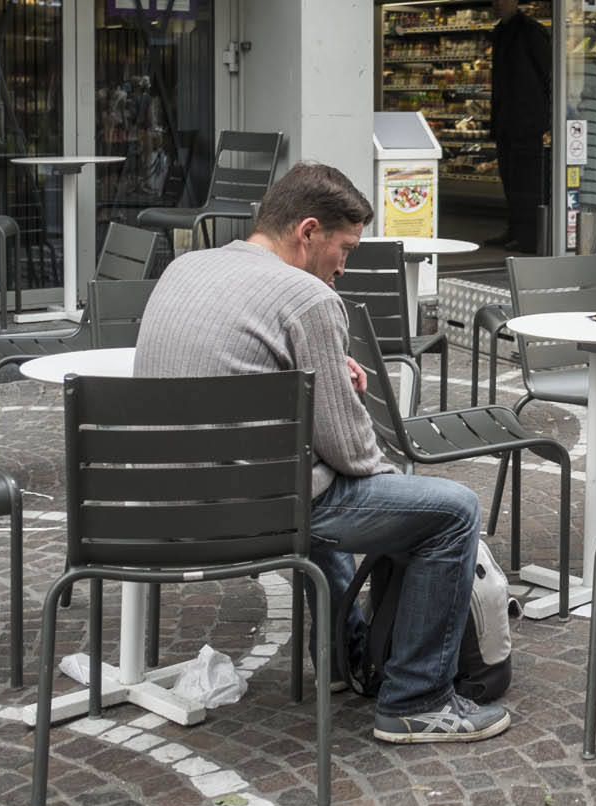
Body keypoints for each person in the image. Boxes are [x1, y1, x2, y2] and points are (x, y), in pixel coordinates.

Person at [133, 163, 511, 744]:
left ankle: (341, 659)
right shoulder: (306, 296)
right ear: (308, 231)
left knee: (317, 483)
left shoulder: (186, 266)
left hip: (161, 506)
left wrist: (324, 379)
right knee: (450, 510)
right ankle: (417, 700)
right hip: (253, 512)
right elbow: (351, 450)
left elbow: (238, 375)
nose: (344, 265)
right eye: (345, 249)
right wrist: (395, 482)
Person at [488, 0, 550, 253]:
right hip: (506, 119)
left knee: (527, 182)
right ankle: (514, 229)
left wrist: (548, 115)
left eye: (503, 0)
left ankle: (528, 235)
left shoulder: (531, 30)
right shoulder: (500, 31)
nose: (498, 5)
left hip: (527, 119)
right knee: (510, 178)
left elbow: (548, 71)